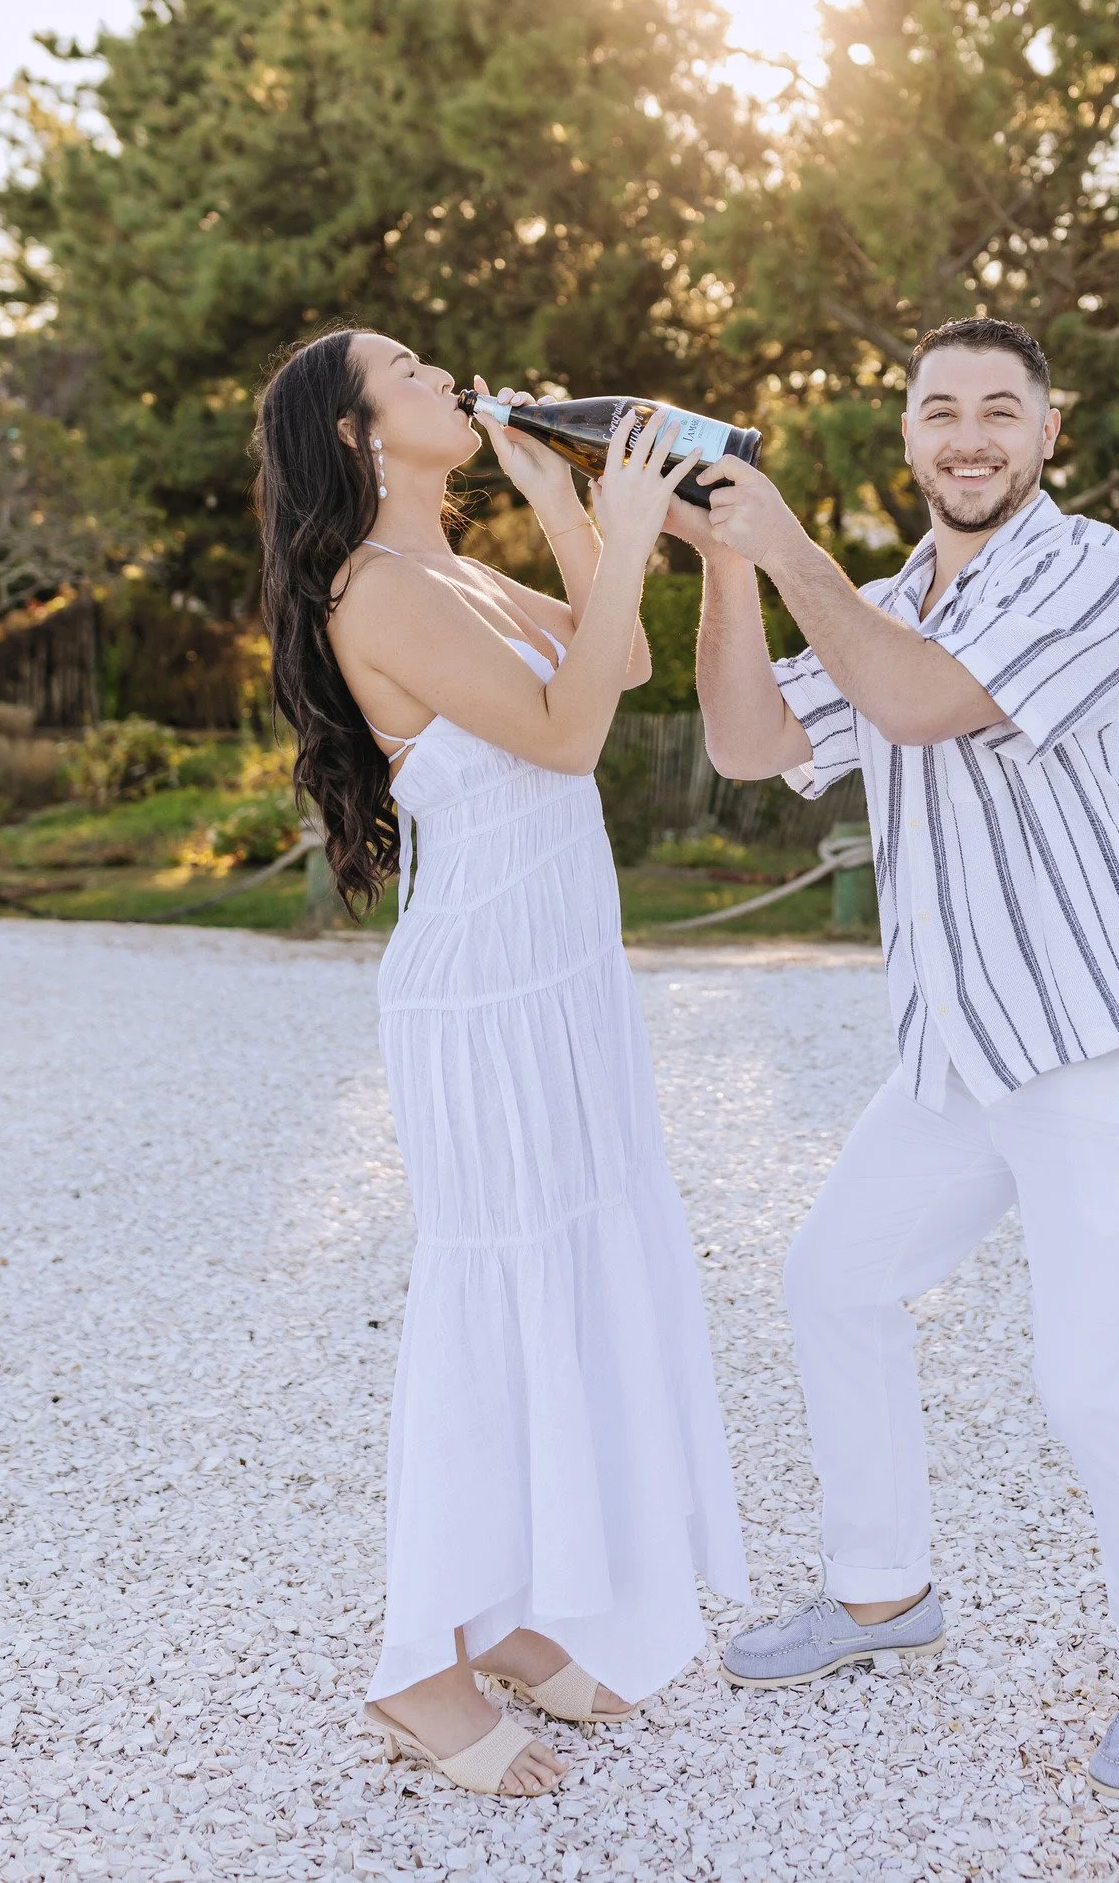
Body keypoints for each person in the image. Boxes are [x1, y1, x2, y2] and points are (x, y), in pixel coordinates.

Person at [672, 315, 1119, 1802]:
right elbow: (746, 743)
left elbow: (923, 701)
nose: (971, 435)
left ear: (1050, 434)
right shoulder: (883, 599)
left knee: (1100, 1385)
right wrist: (728, 554)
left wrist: (791, 554)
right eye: (942, 410)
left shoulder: (1095, 573)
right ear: (909, 438)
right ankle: (882, 1593)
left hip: (1118, 1042)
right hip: (969, 1048)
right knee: (834, 1279)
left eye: (1003, 408)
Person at [254, 330, 749, 1800]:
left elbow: (628, 655)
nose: (445, 377)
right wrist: (642, 518)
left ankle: (519, 1617)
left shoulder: (452, 570)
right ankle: (419, 1664)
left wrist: (563, 496)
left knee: (576, 1283)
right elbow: (566, 730)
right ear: (356, 436)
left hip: (562, 983)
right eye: (407, 371)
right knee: (496, 1299)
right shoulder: (379, 592)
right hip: (484, 997)